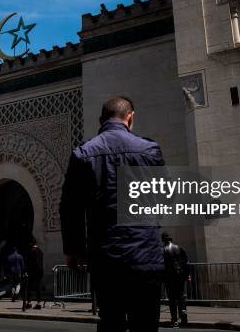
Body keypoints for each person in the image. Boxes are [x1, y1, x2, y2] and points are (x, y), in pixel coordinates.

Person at [60, 96, 166, 332]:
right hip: (145, 258)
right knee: (146, 325)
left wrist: (73, 250)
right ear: (131, 117)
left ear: (101, 120)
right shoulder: (150, 150)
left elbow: (70, 208)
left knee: (111, 323)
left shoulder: (82, 154)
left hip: (106, 260)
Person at [162, 232, 189, 328]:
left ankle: (174, 320)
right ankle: (184, 318)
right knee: (181, 297)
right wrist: (186, 275)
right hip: (180, 277)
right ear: (171, 238)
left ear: (163, 240)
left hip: (169, 278)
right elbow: (186, 262)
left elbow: (162, 265)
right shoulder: (179, 248)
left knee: (172, 300)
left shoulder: (163, 250)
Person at [26, 238, 44, 309]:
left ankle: (29, 302)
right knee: (39, 286)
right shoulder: (40, 251)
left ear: (31, 243)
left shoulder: (31, 251)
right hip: (40, 270)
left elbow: (30, 263)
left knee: (29, 286)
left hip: (32, 270)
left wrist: (27, 271)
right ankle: (39, 303)